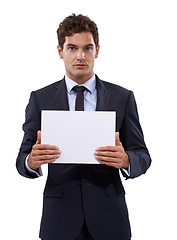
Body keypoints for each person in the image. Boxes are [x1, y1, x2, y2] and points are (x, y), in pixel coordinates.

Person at [16, 14, 151, 240]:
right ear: (60, 51)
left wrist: (126, 160)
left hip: (110, 219)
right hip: (59, 220)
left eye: (87, 48)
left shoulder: (122, 98)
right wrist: (31, 161)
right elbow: (22, 159)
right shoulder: (41, 99)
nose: (80, 56)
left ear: (97, 50)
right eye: (72, 48)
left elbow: (143, 155)